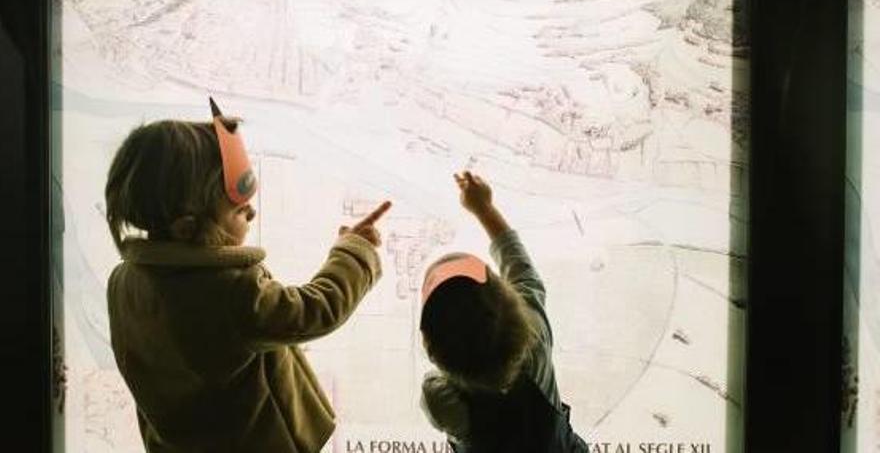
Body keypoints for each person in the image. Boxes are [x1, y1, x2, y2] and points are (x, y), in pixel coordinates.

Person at [104, 98, 391, 452]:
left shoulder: (123, 282)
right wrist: (353, 250)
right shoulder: (232, 292)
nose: (252, 213)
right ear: (186, 228)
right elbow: (315, 310)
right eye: (240, 210)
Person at [419, 171, 587, 452]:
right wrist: (484, 209)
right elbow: (522, 269)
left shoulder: (439, 398)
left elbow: (436, 380)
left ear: (429, 343)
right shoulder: (535, 340)